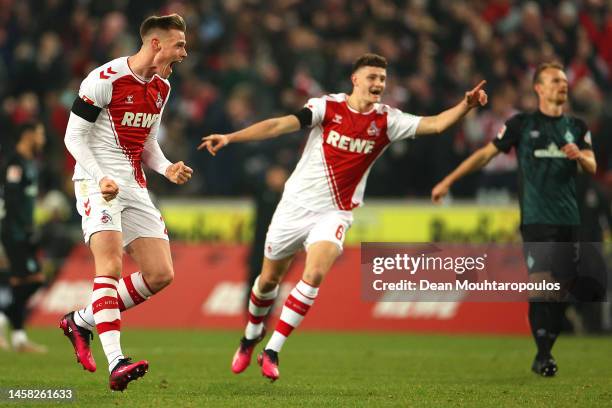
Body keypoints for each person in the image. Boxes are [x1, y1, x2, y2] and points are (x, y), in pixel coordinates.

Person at [199, 53, 488, 381]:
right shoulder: (326, 108)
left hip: (335, 211)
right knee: (267, 282)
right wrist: (231, 137)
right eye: (372, 77)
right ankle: (250, 338)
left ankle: (273, 349)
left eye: (382, 78)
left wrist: (465, 105)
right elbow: (280, 125)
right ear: (355, 80)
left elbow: (435, 124)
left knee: (315, 273)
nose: (378, 84)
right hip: (293, 206)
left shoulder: (387, 120)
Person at [431, 62, 597, 377]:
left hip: (569, 219)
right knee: (540, 284)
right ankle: (544, 355)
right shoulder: (522, 125)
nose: (562, 85)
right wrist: (448, 180)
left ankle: (546, 344)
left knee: (561, 290)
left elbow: (592, 163)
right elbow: (485, 154)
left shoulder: (577, 127)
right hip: (536, 219)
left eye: (563, 81)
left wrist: (581, 156)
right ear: (538, 88)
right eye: (554, 81)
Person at [59, 14, 193, 391]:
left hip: (133, 185)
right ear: (155, 44)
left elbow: (147, 143)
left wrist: (167, 169)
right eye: (179, 45)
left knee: (160, 274)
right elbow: (74, 137)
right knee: (111, 265)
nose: (184, 52)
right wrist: (99, 175)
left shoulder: (162, 87)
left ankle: (81, 321)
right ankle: (116, 361)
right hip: (95, 181)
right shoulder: (105, 79)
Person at [0, 121, 47, 353]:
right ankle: (3, 318)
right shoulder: (15, 163)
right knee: (35, 279)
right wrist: (21, 230)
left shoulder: (31, 163)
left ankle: (18, 338)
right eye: (40, 133)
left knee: (22, 283)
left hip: (25, 232)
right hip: (14, 232)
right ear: (27, 135)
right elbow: (10, 200)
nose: (43, 139)